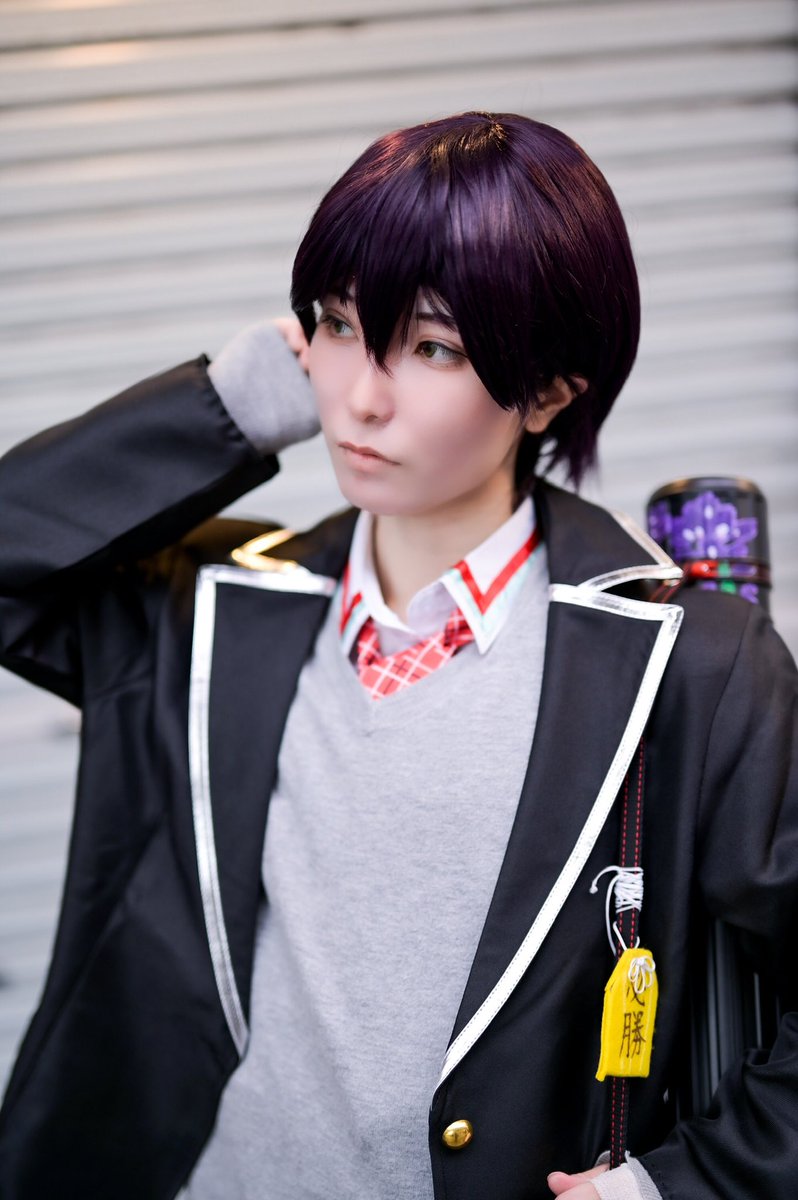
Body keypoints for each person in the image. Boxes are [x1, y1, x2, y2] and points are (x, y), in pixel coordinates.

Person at [0, 111, 796, 1200]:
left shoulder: (688, 662)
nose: (360, 397)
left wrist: (680, 1187)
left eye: (432, 348)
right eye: (338, 325)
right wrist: (227, 410)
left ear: (550, 390)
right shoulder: (211, 607)